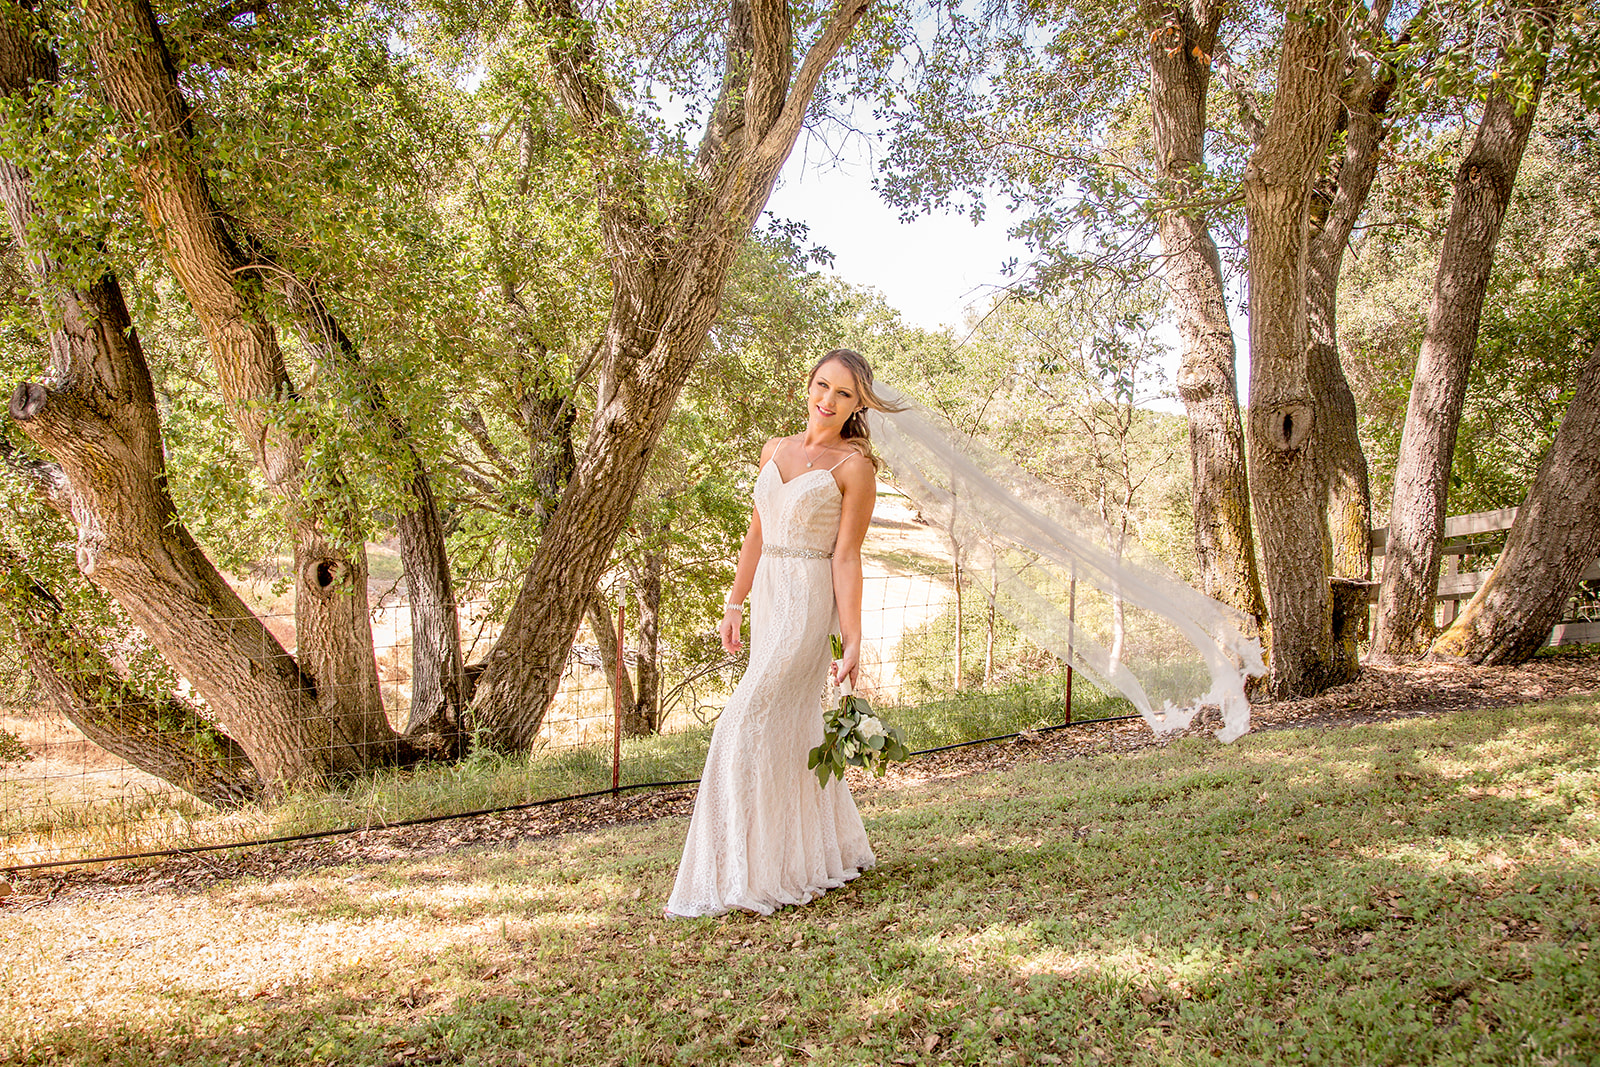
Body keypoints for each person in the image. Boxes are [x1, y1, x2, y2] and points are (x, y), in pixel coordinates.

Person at [665, 349, 898, 918]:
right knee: (793, 731)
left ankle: (749, 870)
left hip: (807, 602)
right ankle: (806, 858)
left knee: (741, 722)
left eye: (844, 394)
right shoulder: (775, 449)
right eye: (823, 385)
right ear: (809, 383)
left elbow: (846, 557)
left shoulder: (855, 466)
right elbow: (756, 534)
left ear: (858, 403)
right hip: (768, 596)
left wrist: (852, 638)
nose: (828, 400)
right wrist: (733, 603)